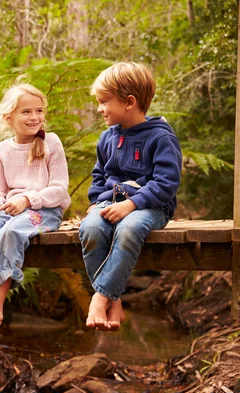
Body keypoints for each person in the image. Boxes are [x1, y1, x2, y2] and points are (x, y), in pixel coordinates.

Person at [79, 62, 182, 331]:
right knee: (90, 228)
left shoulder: (161, 138)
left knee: (129, 228)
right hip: (110, 202)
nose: (99, 108)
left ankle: (100, 297)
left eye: (104, 102)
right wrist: (94, 203)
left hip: (152, 206)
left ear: (129, 102)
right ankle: (115, 301)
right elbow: (99, 175)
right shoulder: (107, 138)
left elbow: (167, 182)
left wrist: (132, 204)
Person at [0, 83, 71, 336]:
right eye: (26, 112)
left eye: (39, 111)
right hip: (8, 208)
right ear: (8, 117)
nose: (34, 117)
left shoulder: (51, 143)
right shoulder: (2, 150)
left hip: (44, 210)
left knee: (9, 232)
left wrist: (27, 199)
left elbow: (59, 190)